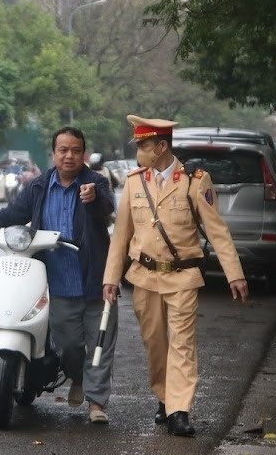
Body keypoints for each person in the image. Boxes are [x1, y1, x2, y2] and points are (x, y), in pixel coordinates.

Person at [102, 115, 248, 437]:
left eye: (143, 145)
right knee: (155, 343)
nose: (139, 151)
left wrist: (234, 275)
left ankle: (178, 410)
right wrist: (111, 278)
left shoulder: (195, 182)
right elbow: (121, 235)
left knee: (182, 343)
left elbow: (217, 232)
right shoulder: (135, 182)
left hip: (182, 277)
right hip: (144, 276)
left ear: (161, 146)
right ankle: (164, 395)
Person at [0, 127, 118, 424]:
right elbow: (12, 214)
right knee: (69, 347)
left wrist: (94, 198)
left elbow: (107, 208)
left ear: (83, 154)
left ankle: (97, 403)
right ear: (54, 154)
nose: (69, 155)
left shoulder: (95, 183)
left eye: (75, 150)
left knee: (99, 344)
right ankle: (78, 380)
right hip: (57, 284)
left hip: (95, 279)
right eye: (63, 150)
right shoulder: (40, 186)